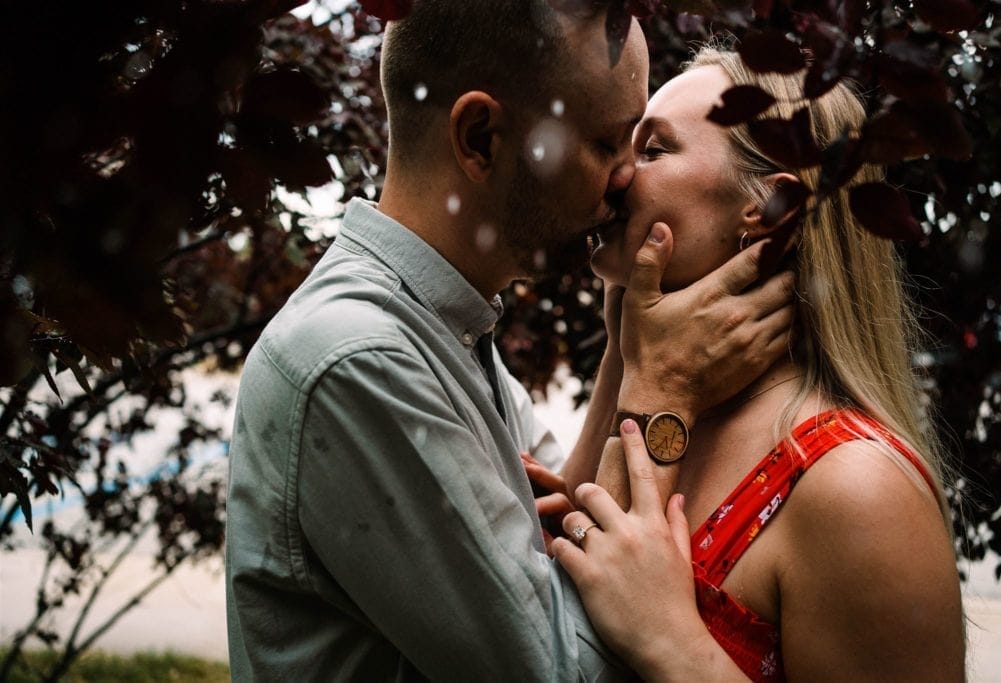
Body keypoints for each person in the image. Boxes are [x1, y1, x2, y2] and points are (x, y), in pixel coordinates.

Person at [224, 5, 796, 681]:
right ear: (482, 138)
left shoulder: (447, 326)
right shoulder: (362, 359)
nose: (626, 181)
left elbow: (564, 533)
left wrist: (627, 349)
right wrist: (662, 387)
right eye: (608, 144)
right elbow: (567, 666)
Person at [549, 47, 966, 682]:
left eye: (653, 150)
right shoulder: (663, 396)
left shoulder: (854, 488)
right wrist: (625, 348)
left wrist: (674, 645)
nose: (615, 170)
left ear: (771, 209)